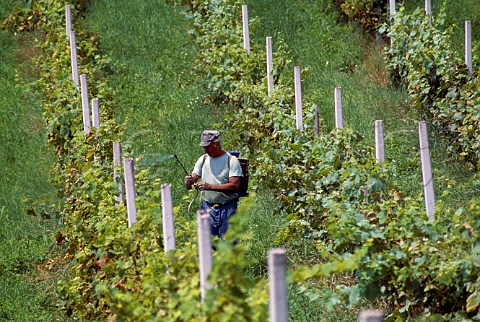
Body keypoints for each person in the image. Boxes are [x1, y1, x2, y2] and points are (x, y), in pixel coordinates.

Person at [185, 130, 243, 238]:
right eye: (204, 147)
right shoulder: (203, 159)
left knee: (228, 245)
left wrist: (210, 186)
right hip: (207, 207)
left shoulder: (231, 160)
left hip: (227, 208)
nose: (206, 150)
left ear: (216, 144)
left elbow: (235, 186)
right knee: (207, 245)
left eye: (208, 147)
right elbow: (193, 179)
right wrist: (189, 181)